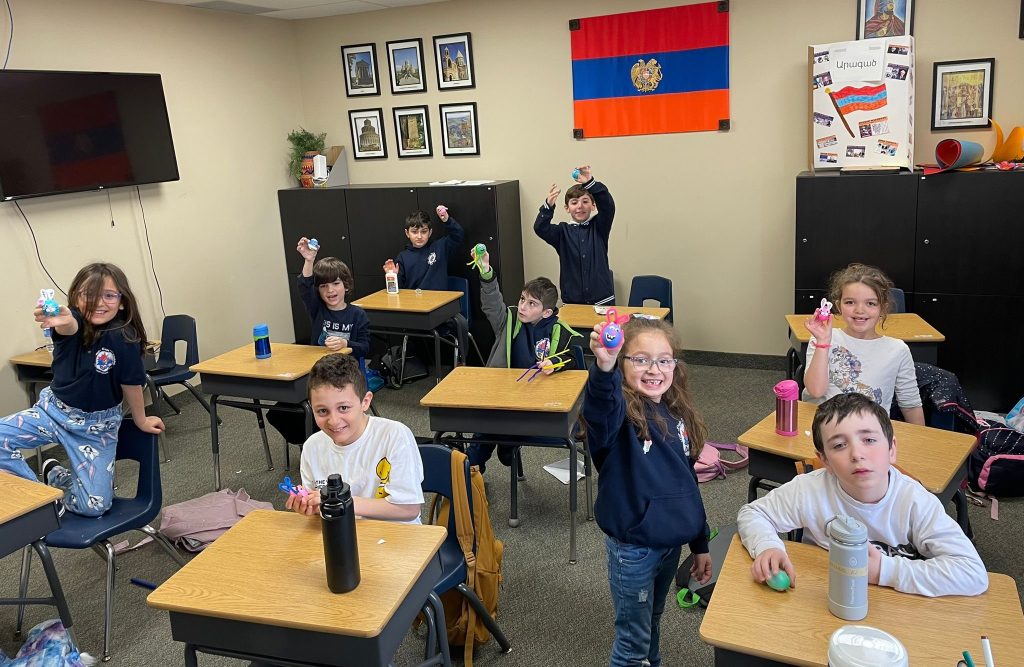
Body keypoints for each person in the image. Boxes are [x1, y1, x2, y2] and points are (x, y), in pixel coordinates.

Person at [737, 393, 987, 597]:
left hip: (894, 606)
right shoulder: (810, 489)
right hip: (824, 597)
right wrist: (767, 546)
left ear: (891, 449)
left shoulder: (916, 502)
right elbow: (753, 513)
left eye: (869, 440)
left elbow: (972, 572)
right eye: (839, 445)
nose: (857, 454)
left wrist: (884, 571)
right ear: (825, 460)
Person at [582, 317, 711, 667]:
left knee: (651, 621)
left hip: (670, 543)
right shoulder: (617, 416)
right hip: (635, 550)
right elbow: (600, 405)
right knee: (631, 643)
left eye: (664, 360)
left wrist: (699, 542)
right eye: (640, 359)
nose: (654, 369)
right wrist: (604, 367)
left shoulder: (675, 410)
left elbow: (687, 481)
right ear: (622, 363)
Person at [0, 263, 164, 517]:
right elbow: (69, 325)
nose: (98, 303)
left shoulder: (124, 337)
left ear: (122, 301)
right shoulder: (72, 321)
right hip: (53, 413)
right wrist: (63, 319)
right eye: (88, 295)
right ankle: (41, 501)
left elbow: (131, 384)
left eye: (109, 295)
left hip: (96, 429)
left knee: (95, 507)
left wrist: (141, 419)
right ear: (76, 297)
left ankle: (57, 476)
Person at [465, 250, 583, 472]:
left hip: (537, 404)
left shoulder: (559, 331)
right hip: (504, 396)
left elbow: (573, 358)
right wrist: (487, 272)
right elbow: (492, 303)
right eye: (522, 299)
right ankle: (474, 466)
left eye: (532, 304)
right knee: (487, 422)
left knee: (494, 425)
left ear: (546, 312)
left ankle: (503, 447)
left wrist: (554, 363)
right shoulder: (509, 320)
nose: (522, 307)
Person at [286, 353, 424, 523]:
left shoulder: (394, 435)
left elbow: (409, 509)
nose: (333, 421)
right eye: (322, 411)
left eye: (343, 408)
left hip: (394, 535)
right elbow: (320, 509)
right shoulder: (312, 447)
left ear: (365, 402)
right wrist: (309, 505)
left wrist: (341, 503)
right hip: (342, 532)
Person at [268, 240, 370, 444]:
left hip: (346, 378)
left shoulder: (357, 314)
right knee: (280, 411)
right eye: (324, 286)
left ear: (346, 285)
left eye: (336, 284)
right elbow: (305, 285)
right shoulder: (318, 310)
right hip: (317, 375)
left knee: (322, 407)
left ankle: (326, 439)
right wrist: (309, 260)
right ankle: (313, 443)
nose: (330, 290)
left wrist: (346, 345)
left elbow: (366, 347)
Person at [803, 262, 924, 425]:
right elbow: (816, 391)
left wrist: (921, 438)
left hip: (871, 432)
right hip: (826, 427)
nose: (860, 310)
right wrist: (823, 343)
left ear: (883, 308)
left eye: (871, 303)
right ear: (838, 305)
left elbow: (911, 405)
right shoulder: (823, 339)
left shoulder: (898, 349)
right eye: (850, 302)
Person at [533, 165, 615, 306]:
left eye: (585, 201)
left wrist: (590, 182)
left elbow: (608, 206)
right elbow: (540, 228)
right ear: (567, 208)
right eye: (574, 202)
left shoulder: (599, 226)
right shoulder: (561, 232)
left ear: (593, 206)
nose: (580, 206)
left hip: (602, 302)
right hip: (573, 303)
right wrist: (548, 206)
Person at [383, 205, 464, 291]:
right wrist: (392, 277)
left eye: (424, 231)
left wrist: (447, 220)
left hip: (439, 298)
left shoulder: (440, 247)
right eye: (414, 232)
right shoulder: (402, 257)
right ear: (407, 233)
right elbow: (395, 291)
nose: (419, 236)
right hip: (413, 299)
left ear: (430, 232)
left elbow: (458, 235)